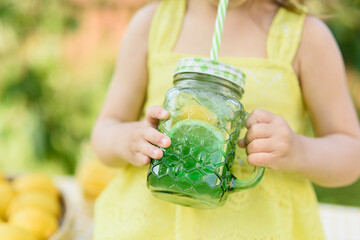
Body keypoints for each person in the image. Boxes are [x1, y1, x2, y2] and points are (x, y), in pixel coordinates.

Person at [91, 0, 360, 239]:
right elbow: (105, 131)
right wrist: (127, 140)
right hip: (147, 227)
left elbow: (351, 153)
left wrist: (298, 151)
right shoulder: (151, 24)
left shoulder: (307, 37)